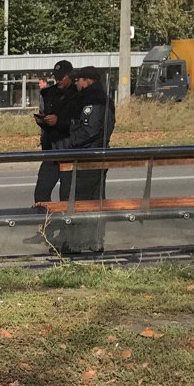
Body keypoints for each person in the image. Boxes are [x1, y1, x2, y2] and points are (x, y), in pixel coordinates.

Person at [48, 66, 116, 253]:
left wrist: (66, 144)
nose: (76, 83)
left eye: (78, 80)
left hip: (88, 157)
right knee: (95, 201)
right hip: (97, 156)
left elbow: (89, 130)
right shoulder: (102, 99)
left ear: (87, 80)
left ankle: (76, 244)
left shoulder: (93, 102)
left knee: (79, 201)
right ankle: (94, 242)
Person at [32, 60, 81, 204]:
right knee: (41, 191)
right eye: (56, 77)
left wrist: (59, 121)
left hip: (68, 147)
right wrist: (43, 121)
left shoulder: (78, 94)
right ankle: (45, 222)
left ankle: (67, 224)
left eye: (62, 77)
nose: (58, 80)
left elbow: (79, 121)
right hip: (51, 148)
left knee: (66, 193)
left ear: (70, 75)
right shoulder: (49, 93)